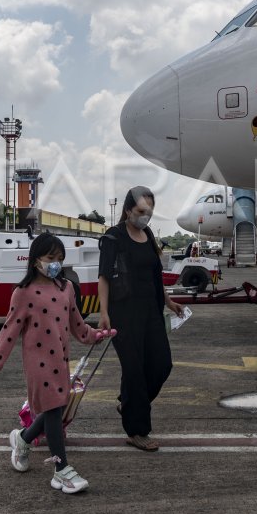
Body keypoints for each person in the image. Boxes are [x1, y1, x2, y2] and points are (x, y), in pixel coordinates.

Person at [0, 233, 115, 494]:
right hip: (38, 364)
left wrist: (97, 336)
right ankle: (61, 470)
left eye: (60, 259)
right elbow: (8, 333)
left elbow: (78, 325)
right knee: (54, 411)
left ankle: (23, 439)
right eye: (50, 258)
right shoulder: (23, 293)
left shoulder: (65, 288)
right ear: (35, 260)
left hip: (60, 361)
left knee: (55, 407)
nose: (55, 263)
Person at [98, 186, 185, 452]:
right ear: (127, 210)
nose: (145, 217)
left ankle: (128, 403)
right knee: (134, 371)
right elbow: (103, 277)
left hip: (151, 311)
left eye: (149, 212)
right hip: (123, 314)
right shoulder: (113, 237)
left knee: (161, 365)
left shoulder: (147, 235)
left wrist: (169, 301)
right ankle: (137, 430)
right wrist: (103, 313)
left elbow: (155, 274)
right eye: (140, 212)